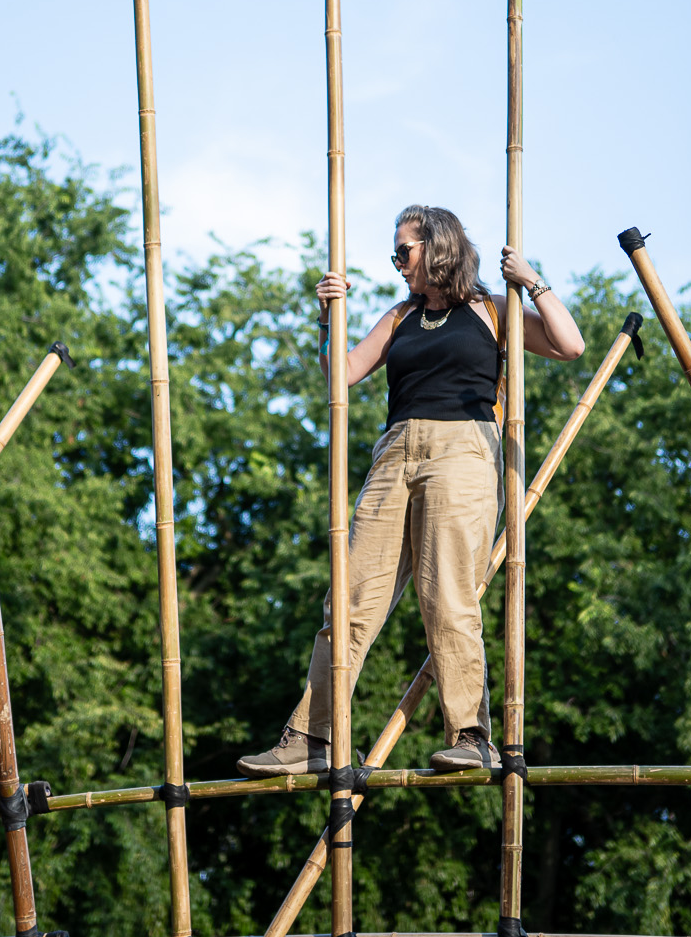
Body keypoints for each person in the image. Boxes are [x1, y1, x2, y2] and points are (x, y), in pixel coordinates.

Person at [237, 205, 585, 777]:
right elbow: (339, 375)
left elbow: (570, 345)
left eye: (405, 251)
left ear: (438, 247)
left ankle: (470, 734)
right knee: (348, 601)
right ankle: (312, 738)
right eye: (395, 254)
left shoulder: (493, 311)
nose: (397, 264)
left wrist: (532, 282)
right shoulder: (399, 317)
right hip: (395, 451)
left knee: (448, 594)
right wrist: (327, 318)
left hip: (463, 450)